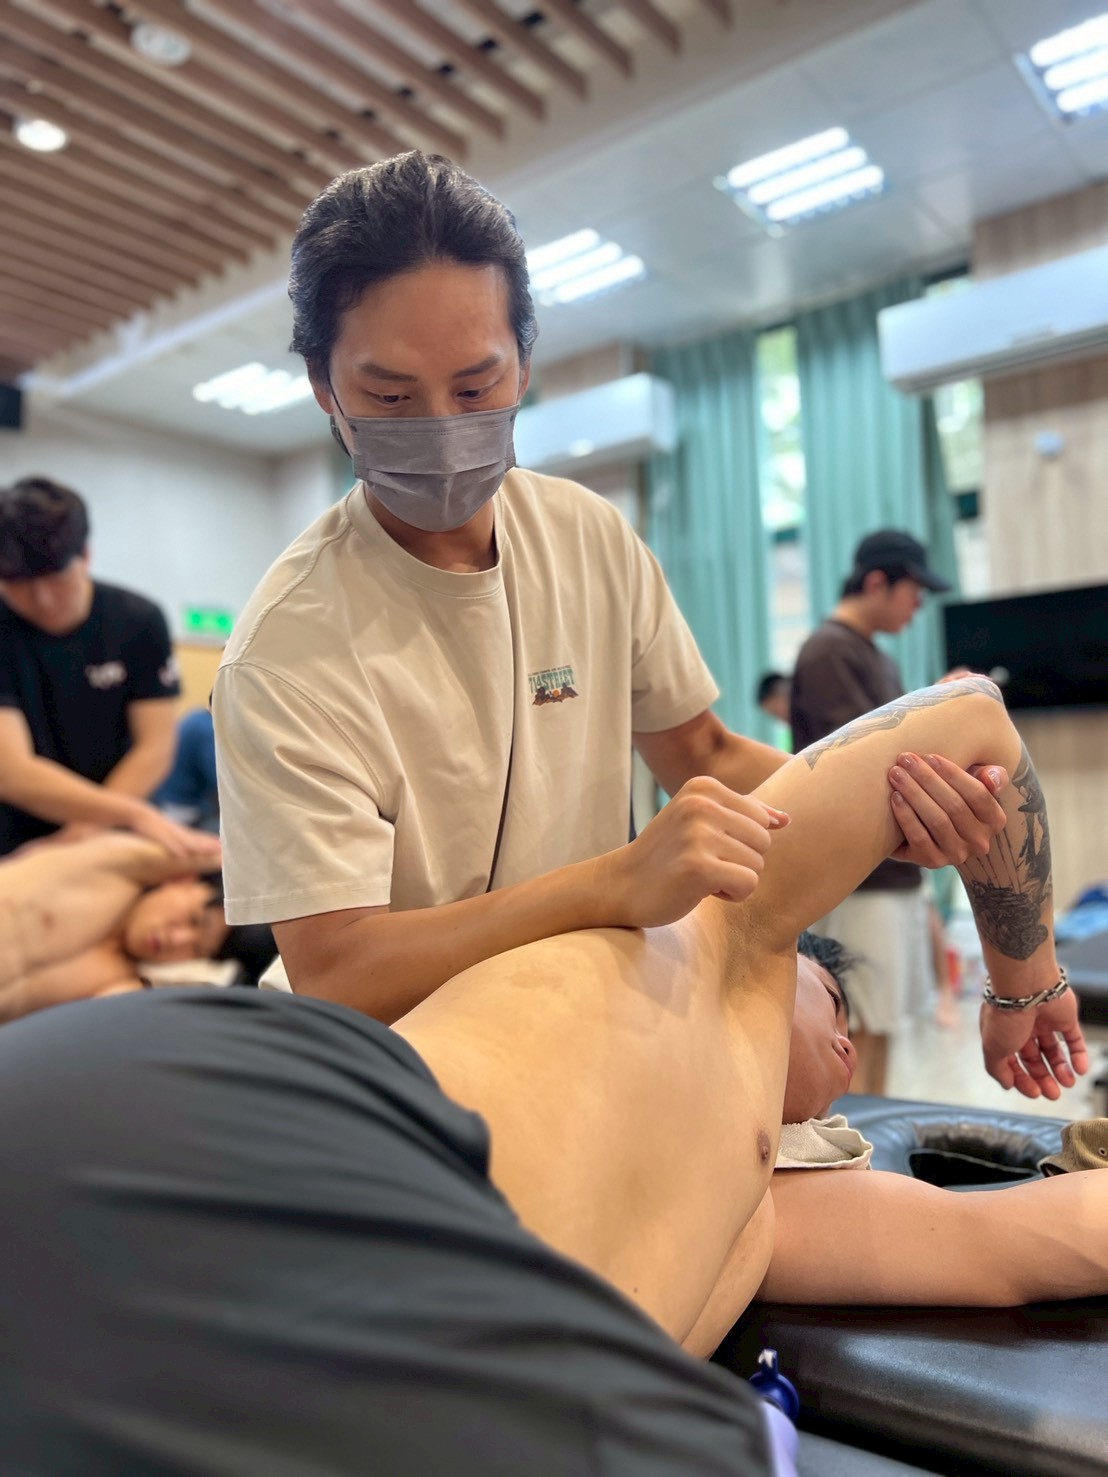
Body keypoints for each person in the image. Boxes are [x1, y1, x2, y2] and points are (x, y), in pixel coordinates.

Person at [0, 677, 1092, 1474]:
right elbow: (972, 717)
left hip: (361, 1345)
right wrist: (1023, 980)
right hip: (248, 1141)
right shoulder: (722, 917)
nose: (848, 1054)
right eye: (836, 1003)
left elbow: (1009, 1248)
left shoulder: (762, 1210)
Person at [214, 152, 1004, 1013]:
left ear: (523, 364)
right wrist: (615, 882)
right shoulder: (286, 651)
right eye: (391, 397)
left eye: (475, 386)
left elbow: (703, 754)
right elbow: (341, 970)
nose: (442, 428)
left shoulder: (586, 535)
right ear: (323, 386)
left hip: (584, 1013)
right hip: (404, 1058)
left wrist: (885, 811)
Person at [789, 527, 957, 1094]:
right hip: (858, 879)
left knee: (880, 1026)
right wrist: (944, 711)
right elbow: (865, 765)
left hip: (890, 873)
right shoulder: (828, 652)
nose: (918, 605)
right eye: (914, 591)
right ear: (879, 582)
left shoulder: (872, 656)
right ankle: (850, 1142)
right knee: (853, 1032)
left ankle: (869, 1136)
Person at [0, 477, 215, 861]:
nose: (42, 600)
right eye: (18, 585)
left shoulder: (138, 620)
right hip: (18, 836)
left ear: (85, 555)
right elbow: (12, 770)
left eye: (56, 581)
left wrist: (86, 831)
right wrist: (129, 815)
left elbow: (154, 748)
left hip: (117, 825)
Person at [0, 831, 274, 1020]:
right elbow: (218, 855)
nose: (178, 939)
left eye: (196, 949)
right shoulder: (112, 867)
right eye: (193, 919)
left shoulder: (124, 985)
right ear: (184, 879)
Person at [153, 707, 219, 832]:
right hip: (183, 810)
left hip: (163, 802)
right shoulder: (208, 728)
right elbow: (222, 781)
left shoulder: (197, 718)